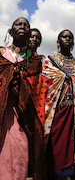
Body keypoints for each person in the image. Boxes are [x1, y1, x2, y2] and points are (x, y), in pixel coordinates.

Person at [0, 17, 46, 180]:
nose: (22, 27)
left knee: (21, 153)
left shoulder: (35, 60)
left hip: (24, 116)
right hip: (3, 113)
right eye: (18, 24)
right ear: (11, 31)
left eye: (26, 25)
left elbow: (38, 88)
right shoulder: (1, 55)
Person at [42, 29, 75, 180]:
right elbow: (44, 85)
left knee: (70, 146)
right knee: (53, 145)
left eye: (70, 37)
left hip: (73, 112)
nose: (67, 39)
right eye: (64, 36)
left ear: (73, 43)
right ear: (58, 41)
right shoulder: (49, 61)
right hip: (55, 112)